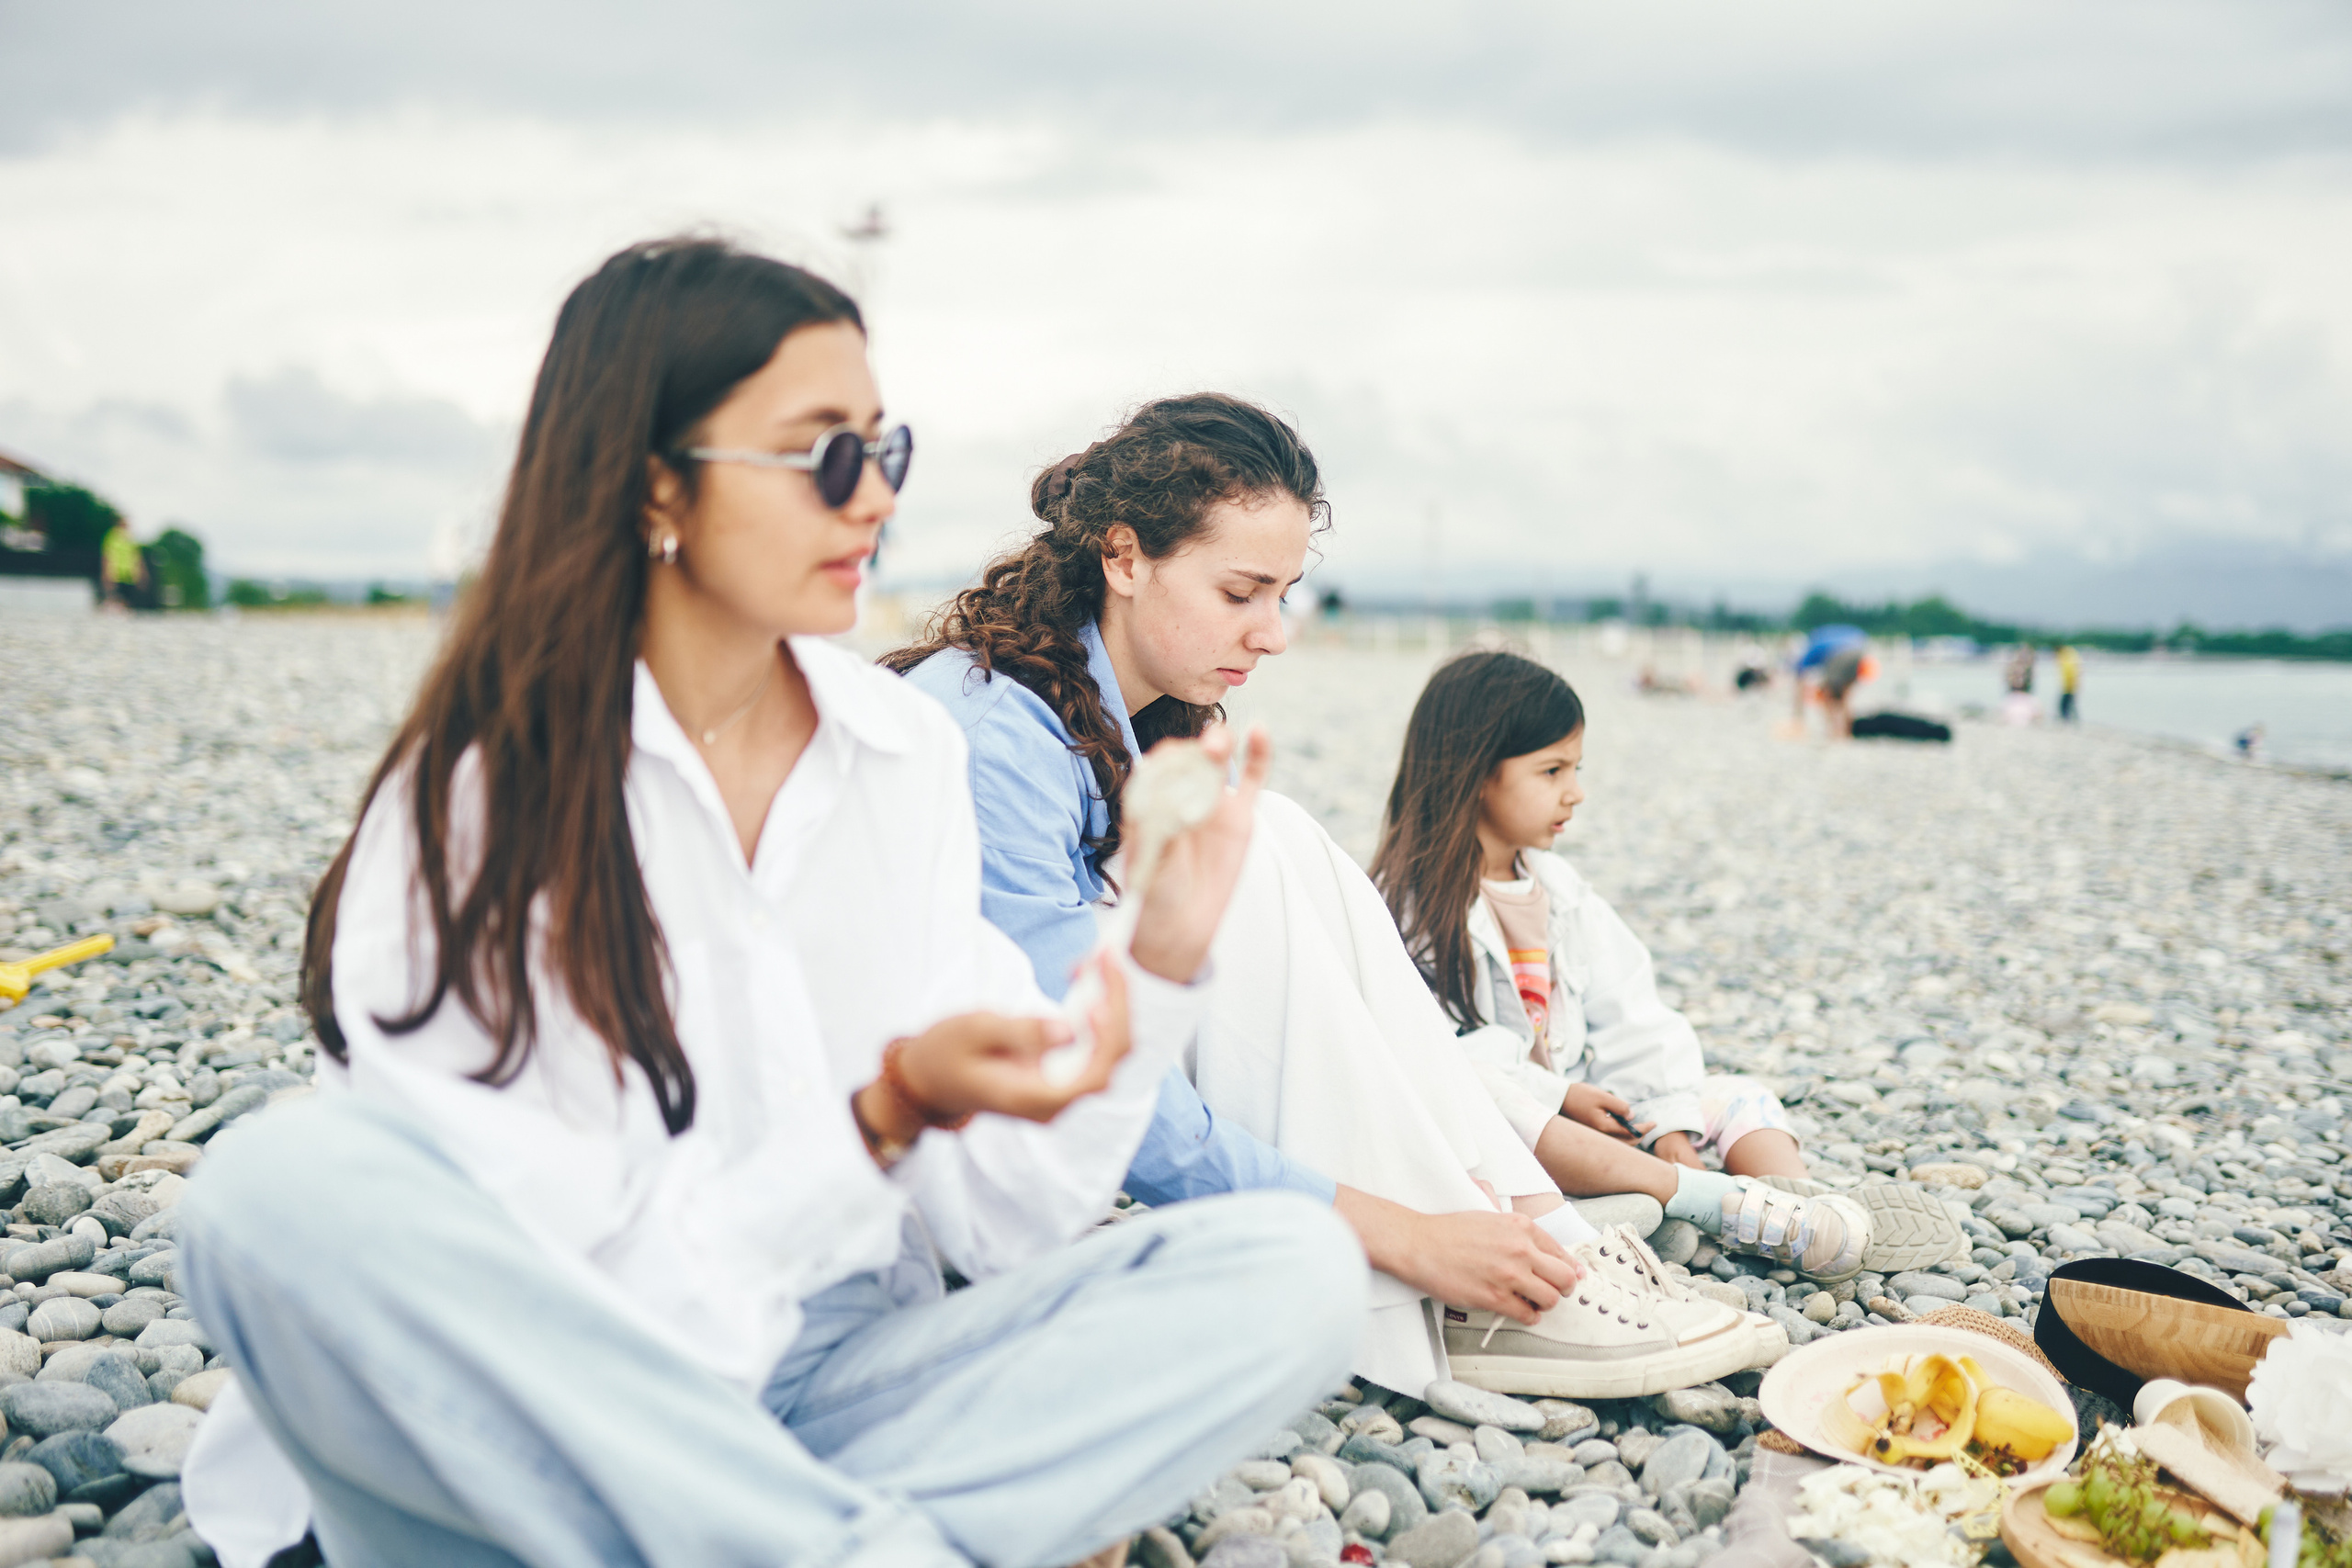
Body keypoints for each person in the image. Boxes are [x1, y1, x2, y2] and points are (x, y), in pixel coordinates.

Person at [175, 240, 1366, 1568]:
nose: (875, 505)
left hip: (831, 1381)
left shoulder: (896, 753)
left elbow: (1008, 1217)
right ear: (653, 485)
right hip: (560, 1406)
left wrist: (1148, 972)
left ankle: (776, 1536)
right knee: (270, 1187)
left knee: (1291, 1271)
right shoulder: (485, 796)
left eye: (886, 452)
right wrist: (875, 1122)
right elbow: (569, 1301)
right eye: (824, 458)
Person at [892, 397, 1783, 1400]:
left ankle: (1531, 1227)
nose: (1272, 635)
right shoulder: (997, 735)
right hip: (925, 1170)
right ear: (1125, 557)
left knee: (1279, 838)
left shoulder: (1111, 718)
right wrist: (1399, 1234)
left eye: (1283, 594)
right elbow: (1090, 1078)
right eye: (1240, 593)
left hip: (1008, 1127)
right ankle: (1443, 1280)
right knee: (1257, 848)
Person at [1371, 651, 1966, 1291]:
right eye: (1552, 770)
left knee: (1742, 1096)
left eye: (1576, 768)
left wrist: (1671, 1120)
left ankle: (1799, 1208)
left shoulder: (1562, 892)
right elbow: (1438, 1061)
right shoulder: (1406, 909)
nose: (1575, 791)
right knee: (1495, 1101)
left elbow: (1633, 1015)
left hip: (1600, 1106)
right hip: (1529, 1130)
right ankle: (1705, 1202)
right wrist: (1560, 1096)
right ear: (1475, 774)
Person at [99, 516, 145, 613]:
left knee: (128, 598)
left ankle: (123, 613)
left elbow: (137, 556)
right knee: (116, 596)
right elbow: (107, 555)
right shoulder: (112, 536)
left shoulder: (130, 538)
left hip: (129, 574)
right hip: (116, 573)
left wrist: (140, 572)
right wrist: (106, 572)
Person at [2056, 643, 2081, 723]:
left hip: (2069, 688)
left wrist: (2071, 686)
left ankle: (2067, 721)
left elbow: (2070, 674)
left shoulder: (2066, 659)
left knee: (2064, 706)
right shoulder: (2069, 657)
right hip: (2070, 687)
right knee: (2070, 705)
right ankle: (2073, 721)